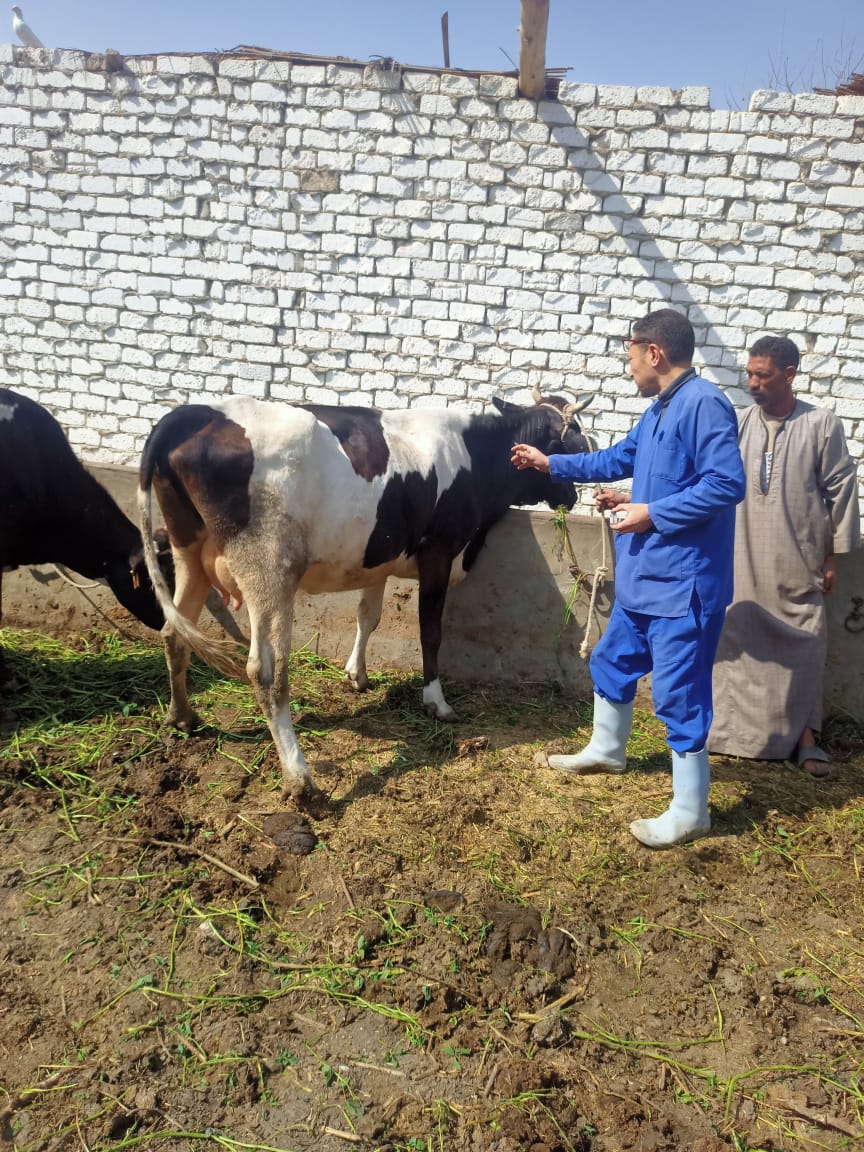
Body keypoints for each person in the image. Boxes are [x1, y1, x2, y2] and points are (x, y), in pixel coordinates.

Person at [511, 308, 745, 848]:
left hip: (683, 585)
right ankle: (607, 750)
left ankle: (691, 811)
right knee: (612, 661)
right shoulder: (661, 409)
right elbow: (620, 458)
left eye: (631, 354)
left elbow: (725, 483)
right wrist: (551, 464)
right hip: (646, 579)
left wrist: (652, 512)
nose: (629, 366)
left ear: (654, 352)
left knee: (679, 695)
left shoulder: (704, 404)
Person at [708, 335, 860, 776]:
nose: (753, 383)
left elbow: (841, 489)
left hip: (799, 557)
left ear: (789, 374)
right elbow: (705, 477)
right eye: (749, 374)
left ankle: (804, 737)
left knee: (805, 641)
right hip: (739, 554)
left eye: (763, 375)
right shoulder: (738, 423)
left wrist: (833, 556)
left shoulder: (821, 424)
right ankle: (726, 734)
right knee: (734, 635)